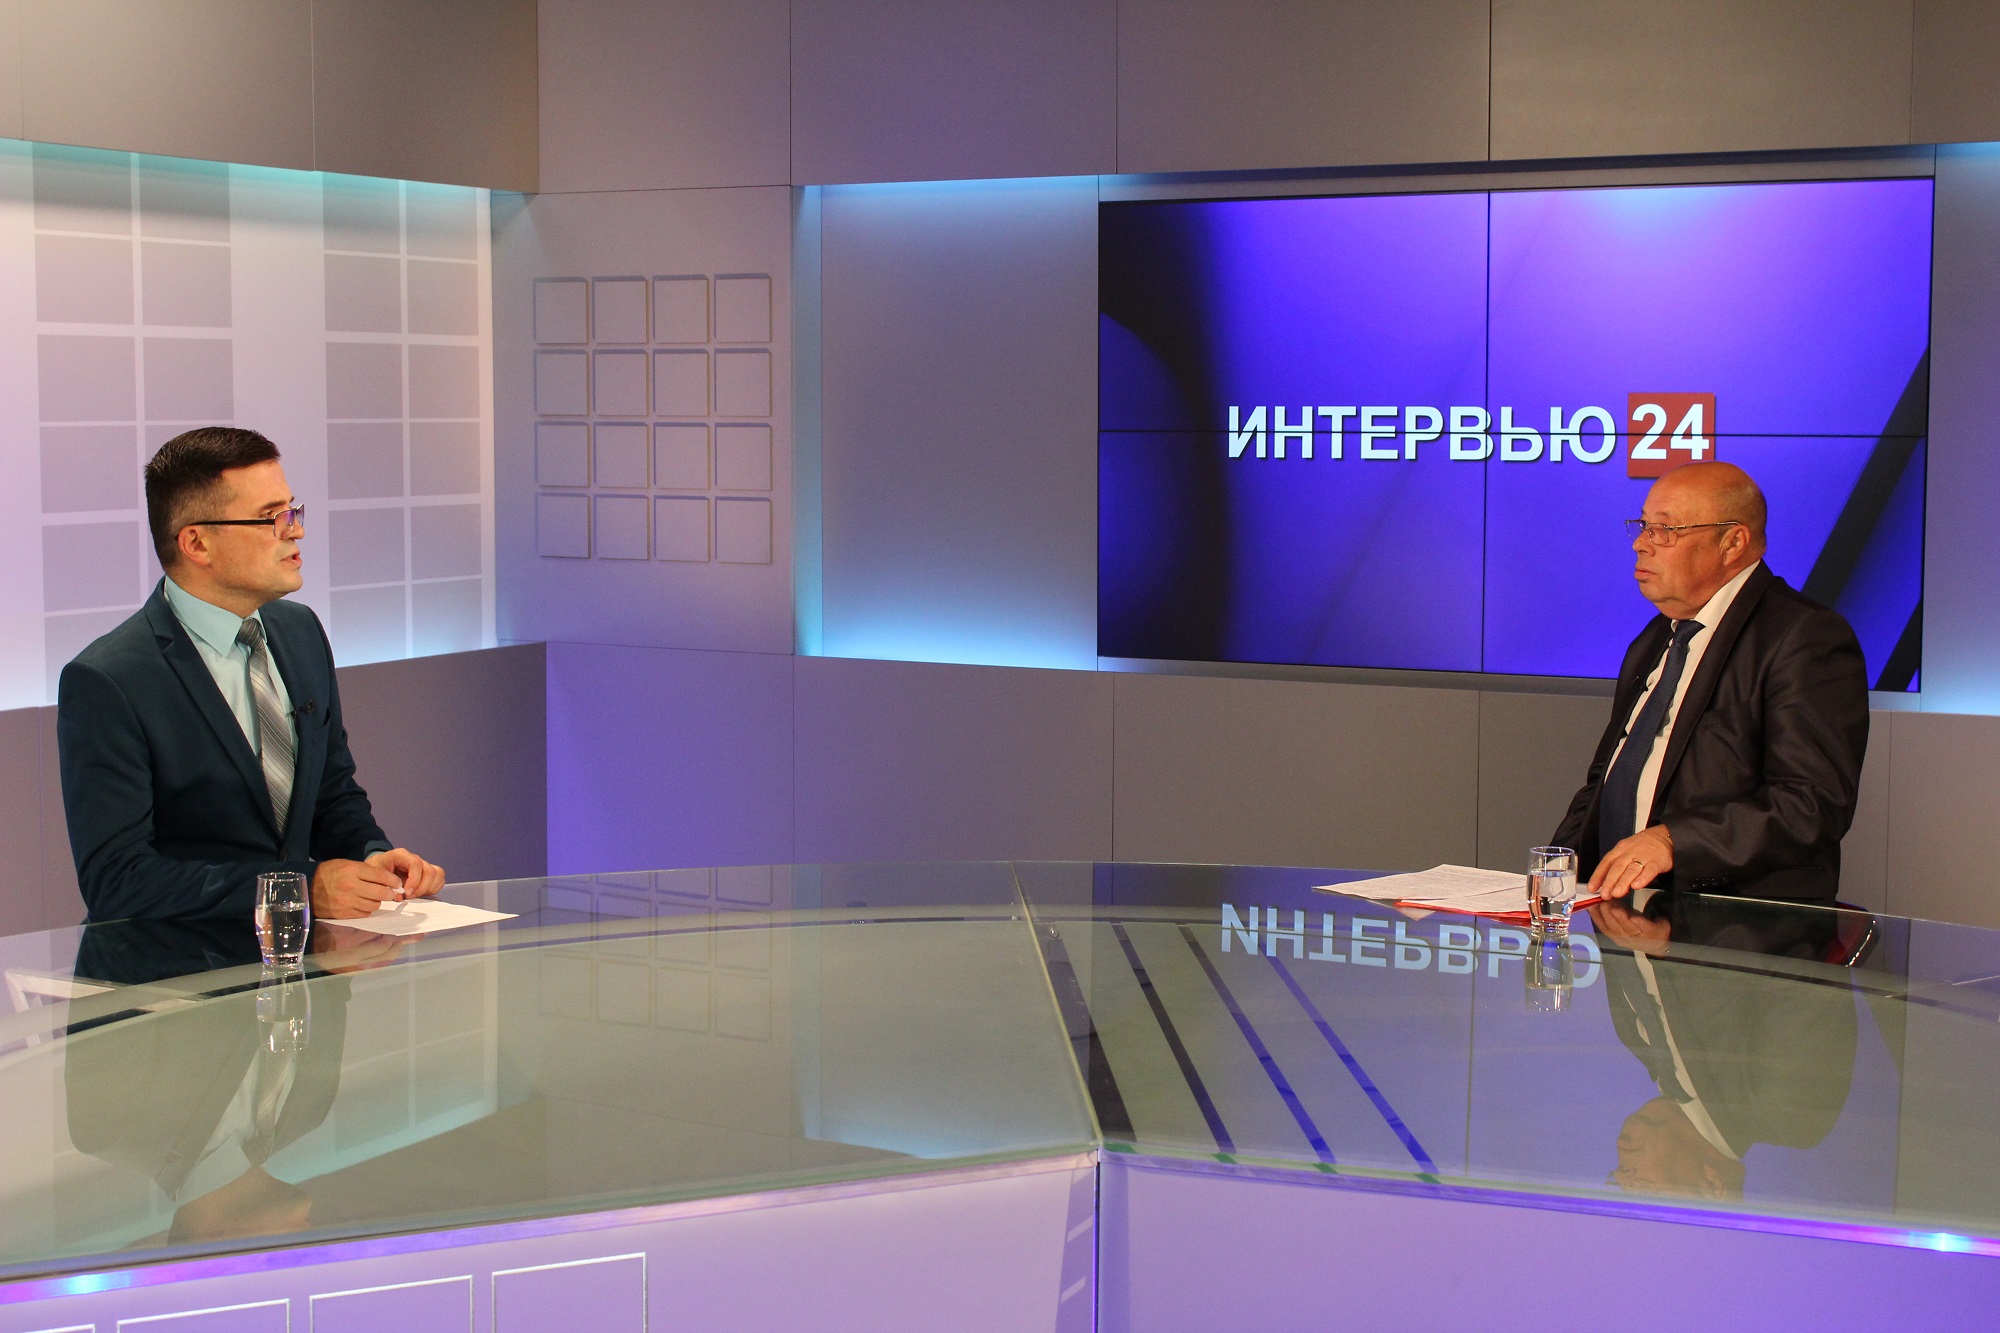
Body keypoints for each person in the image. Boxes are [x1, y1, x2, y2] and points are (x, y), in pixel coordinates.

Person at [57, 427, 443, 923]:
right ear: (197, 543)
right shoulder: (108, 681)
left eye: (292, 511)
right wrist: (295, 888)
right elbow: (118, 881)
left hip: (304, 961)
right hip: (181, 963)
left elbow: (331, 794)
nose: (295, 531)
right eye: (270, 518)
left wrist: (372, 856)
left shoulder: (301, 632)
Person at [1551, 461, 1869, 902]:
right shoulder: (1655, 639)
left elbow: (1811, 803)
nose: (1642, 544)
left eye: (1665, 530)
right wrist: (1557, 871)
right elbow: (1603, 783)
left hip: (1735, 922)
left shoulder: (1804, 637)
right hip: (1618, 911)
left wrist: (1673, 841)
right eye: (1643, 526)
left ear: (1732, 542)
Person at [1589, 891, 1858, 1201]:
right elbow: (1795, 942)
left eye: (1617, 1179)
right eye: (1640, 1186)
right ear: (1711, 1184)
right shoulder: (1790, 1113)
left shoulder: (1636, 1039)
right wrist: (1675, 945)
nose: (1622, 1169)